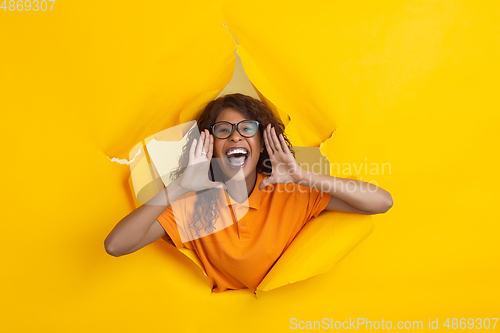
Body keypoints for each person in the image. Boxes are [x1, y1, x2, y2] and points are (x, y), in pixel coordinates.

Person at [104, 93, 393, 293]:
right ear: (209, 145)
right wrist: (180, 185)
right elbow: (116, 245)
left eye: (246, 128)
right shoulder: (192, 205)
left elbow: (381, 201)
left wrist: (303, 176)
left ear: (262, 141)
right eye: (223, 130)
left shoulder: (292, 192)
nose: (235, 136)